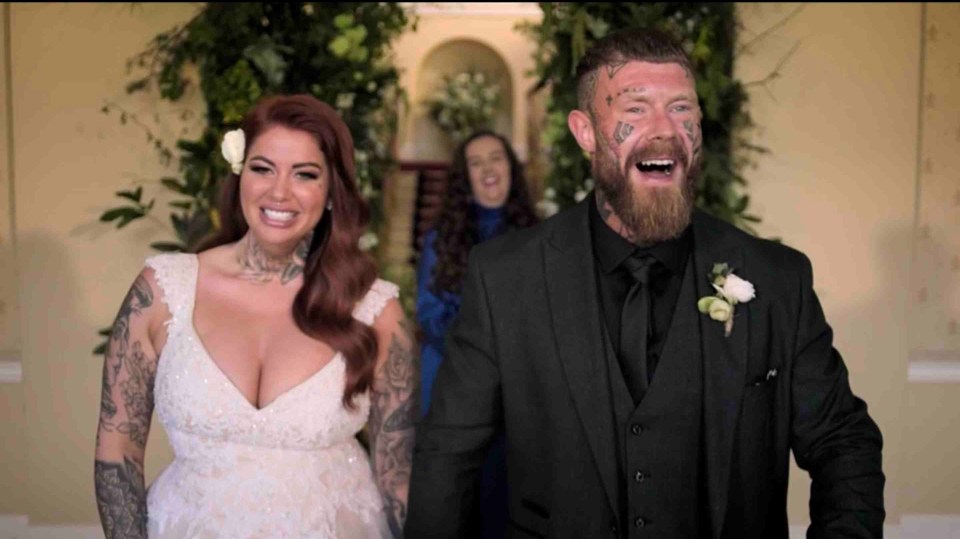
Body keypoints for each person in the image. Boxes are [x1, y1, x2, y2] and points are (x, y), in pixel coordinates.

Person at [406, 27, 884, 539]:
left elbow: (842, 442)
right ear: (585, 131)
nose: (665, 131)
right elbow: (447, 458)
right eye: (634, 110)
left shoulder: (776, 279)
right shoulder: (505, 278)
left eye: (682, 109)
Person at [94, 94, 418, 539]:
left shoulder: (377, 312)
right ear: (239, 175)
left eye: (304, 174)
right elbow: (118, 453)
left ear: (330, 194)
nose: (279, 192)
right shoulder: (162, 291)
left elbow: (397, 476)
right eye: (262, 168)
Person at [415, 130, 538, 538]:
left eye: (496, 158)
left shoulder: (539, 238)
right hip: (454, 385)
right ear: (464, 177)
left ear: (511, 168)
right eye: (476, 162)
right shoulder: (441, 239)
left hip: (517, 394)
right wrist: (490, 347)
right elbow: (430, 315)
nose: (488, 169)